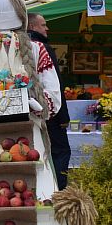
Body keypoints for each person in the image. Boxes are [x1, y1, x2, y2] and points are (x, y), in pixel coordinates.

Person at [26, 12, 72, 189]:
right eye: (43, 25)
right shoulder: (41, 48)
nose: (47, 28)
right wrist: (62, 116)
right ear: (32, 26)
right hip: (47, 110)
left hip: (29, 110)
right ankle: (57, 188)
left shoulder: (19, 46)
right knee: (59, 151)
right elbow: (55, 85)